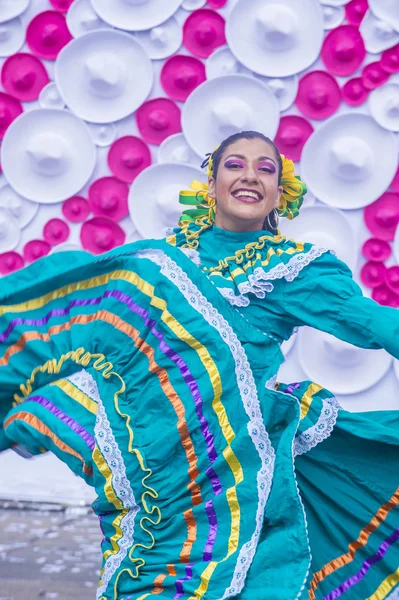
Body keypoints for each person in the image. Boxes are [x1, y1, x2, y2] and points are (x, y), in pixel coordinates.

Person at [0, 130, 398, 600]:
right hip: (145, 451)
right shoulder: (166, 260)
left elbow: (372, 322)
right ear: (211, 185)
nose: (250, 175)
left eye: (265, 169)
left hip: (226, 461)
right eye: (235, 165)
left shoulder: (295, 267)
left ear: (279, 193)